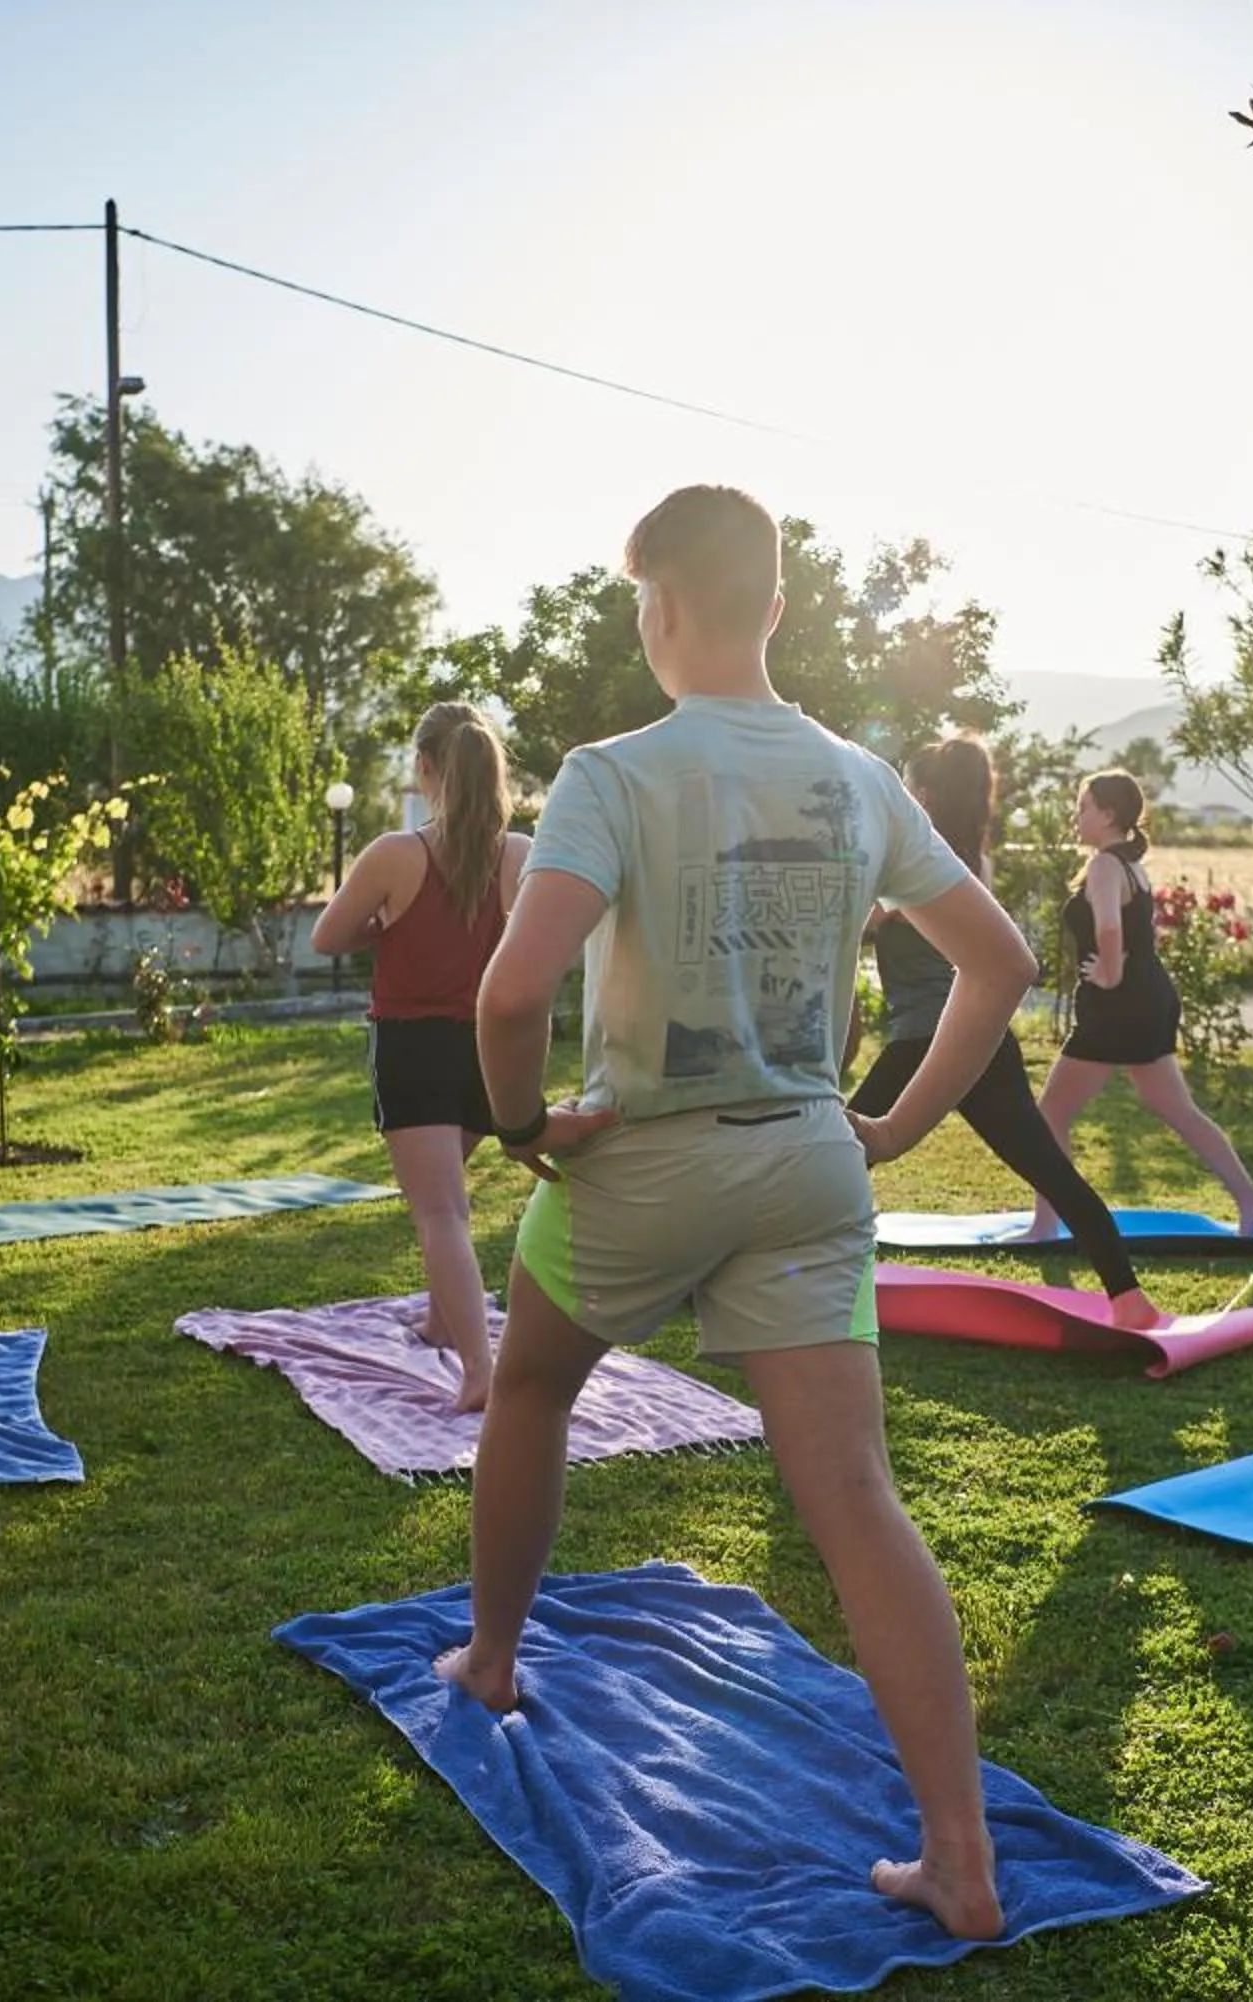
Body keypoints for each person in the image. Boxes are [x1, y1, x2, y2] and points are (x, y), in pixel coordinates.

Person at [436, 485, 1037, 1941]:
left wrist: (519, 1126)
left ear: (657, 611)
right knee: (855, 1499)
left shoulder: (611, 771)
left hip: (645, 1160)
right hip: (810, 1163)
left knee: (531, 1383)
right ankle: (961, 1858)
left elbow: (512, 991)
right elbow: (1002, 963)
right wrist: (889, 1120)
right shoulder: (856, 775)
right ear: (774, 604)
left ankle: (495, 1661)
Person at [854, 737, 1164, 1328]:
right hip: (983, 1039)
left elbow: (859, 922)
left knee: (833, 1154)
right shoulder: (970, 861)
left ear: (919, 793)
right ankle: (1130, 1299)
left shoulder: (912, 865)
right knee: (1050, 1170)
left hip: (924, 1039)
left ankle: (760, 1276)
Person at [312, 702, 530, 1414]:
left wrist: (384, 928)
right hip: (491, 1052)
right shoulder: (523, 855)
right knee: (446, 1203)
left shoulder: (395, 854)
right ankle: (443, 1320)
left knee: (442, 1215)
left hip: (416, 1047)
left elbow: (327, 937)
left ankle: (479, 1370)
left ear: (427, 768)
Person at [1022, 768, 1253, 1239]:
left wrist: (1109, 976)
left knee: (1050, 1113)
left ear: (1109, 814)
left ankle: (1045, 1224)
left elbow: (1111, 929)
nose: (1076, 817)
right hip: (1149, 999)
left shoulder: (1104, 866)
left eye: (1083, 808)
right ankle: (1251, 1201)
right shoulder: (1129, 864)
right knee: (1176, 1109)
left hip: (1119, 1007)